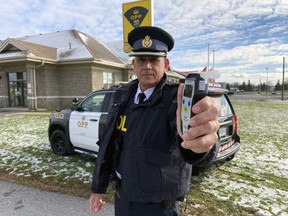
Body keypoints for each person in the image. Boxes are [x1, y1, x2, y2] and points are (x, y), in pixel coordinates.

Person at [89, 26, 220, 216]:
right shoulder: (122, 96)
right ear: (134, 65)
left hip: (157, 206)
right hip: (123, 197)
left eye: (154, 59)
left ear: (165, 64)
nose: (147, 65)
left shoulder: (176, 99)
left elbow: (194, 136)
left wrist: (204, 145)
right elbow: (108, 145)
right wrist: (98, 187)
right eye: (142, 59)